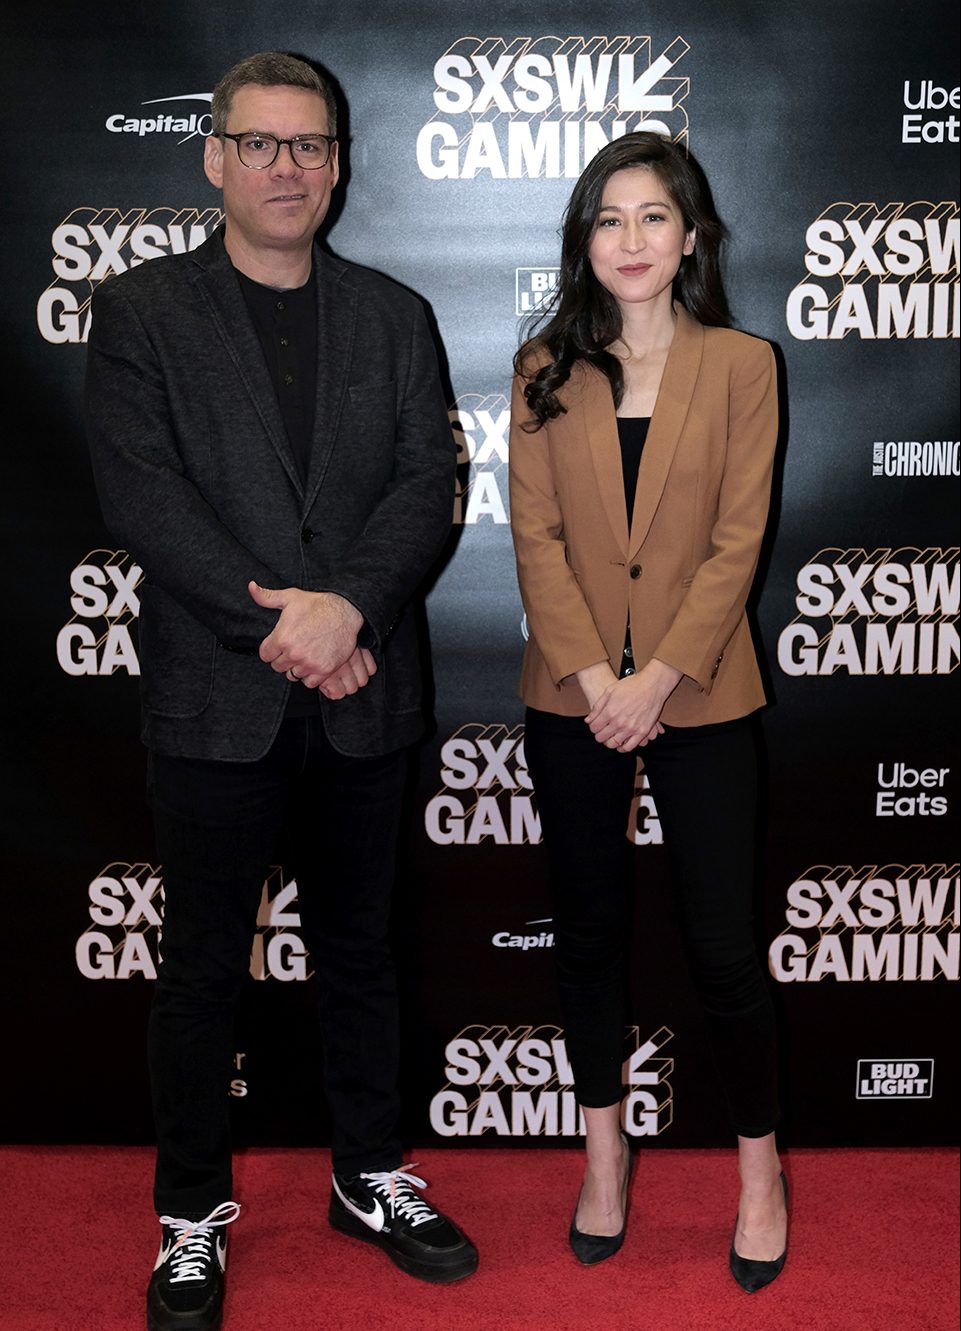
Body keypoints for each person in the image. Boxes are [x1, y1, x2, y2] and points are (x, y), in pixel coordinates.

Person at [85, 50, 477, 1331]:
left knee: (363, 953)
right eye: (259, 143)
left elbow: (427, 482)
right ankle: (189, 1213)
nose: (286, 168)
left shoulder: (395, 315)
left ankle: (368, 1175)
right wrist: (289, 627)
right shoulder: (143, 311)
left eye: (309, 144)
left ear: (339, 164)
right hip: (217, 702)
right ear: (214, 158)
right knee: (203, 969)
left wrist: (348, 608)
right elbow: (144, 493)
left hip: (364, 695)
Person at [508, 131, 787, 1291]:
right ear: (584, 240)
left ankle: (760, 1173)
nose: (629, 239)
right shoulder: (543, 368)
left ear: (691, 236)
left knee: (722, 944)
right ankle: (603, 1156)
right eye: (607, 218)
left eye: (652, 216)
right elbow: (537, 539)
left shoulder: (743, 365)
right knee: (586, 935)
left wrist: (656, 678)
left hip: (703, 689)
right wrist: (595, 684)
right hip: (571, 696)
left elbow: (738, 540)